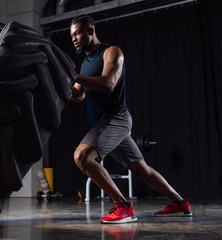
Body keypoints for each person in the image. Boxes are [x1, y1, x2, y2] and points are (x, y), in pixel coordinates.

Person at [69, 15, 192, 224]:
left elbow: (108, 83)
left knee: (82, 157)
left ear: (91, 31)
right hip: (105, 124)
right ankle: (181, 203)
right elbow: (78, 96)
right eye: (72, 35)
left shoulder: (111, 52)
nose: (74, 38)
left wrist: (74, 76)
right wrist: (61, 81)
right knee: (141, 169)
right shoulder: (84, 64)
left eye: (78, 33)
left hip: (117, 119)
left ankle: (123, 206)